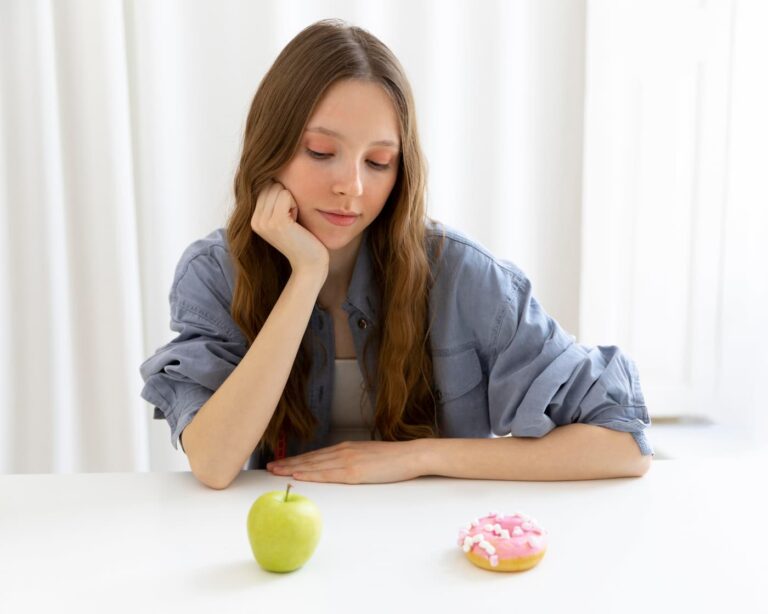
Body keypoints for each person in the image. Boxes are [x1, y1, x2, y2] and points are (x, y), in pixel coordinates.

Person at [139, 18, 653, 490]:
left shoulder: (460, 276)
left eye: (379, 161)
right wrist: (306, 274)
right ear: (270, 147)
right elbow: (212, 462)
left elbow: (623, 443)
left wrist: (417, 458)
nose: (353, 186)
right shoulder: (215, 273)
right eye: (321, 152)